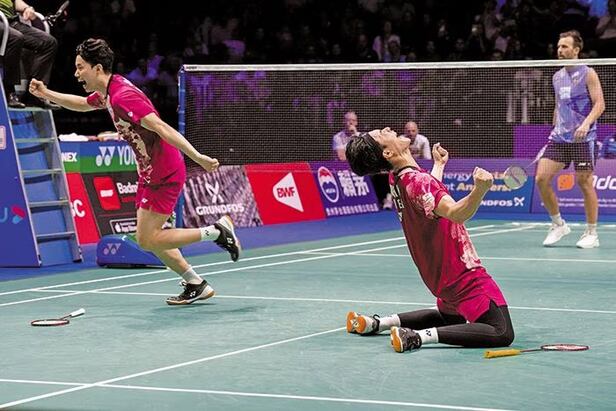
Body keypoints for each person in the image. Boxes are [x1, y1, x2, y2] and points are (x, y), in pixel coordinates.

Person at [29, 38, 240, 305]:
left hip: (164, 171)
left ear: (97, 68)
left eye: (80, 67)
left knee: (148, 239)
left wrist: (197, 157)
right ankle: (195, 283)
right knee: (150, 236)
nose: (76, 73)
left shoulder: (122, 96)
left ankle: (217, 232)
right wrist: (47, 94)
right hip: (150, 172)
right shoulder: (108, 92)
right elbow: (82, 103)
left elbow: (161, 127)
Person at [344, 129, 514, 353]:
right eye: (381, 134)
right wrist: (479, 191)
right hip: (462, 274)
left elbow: (426, 200)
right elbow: (456, 213)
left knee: (450, 319)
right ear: (387, 152)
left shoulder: (397, 178)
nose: (387, 129)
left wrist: (439, 166)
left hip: (439, 277)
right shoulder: (419, 182)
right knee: (501, 331)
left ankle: (377, 323)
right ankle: (416, 337)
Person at [535, 30, 605, 249]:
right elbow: (559, 106)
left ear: (576, 50)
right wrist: (554, 128)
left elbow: (600, 104)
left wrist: (585, 125)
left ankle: (591, 233)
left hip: (584, 138)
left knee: (584, 182)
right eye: (558, 46)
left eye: (564, 46)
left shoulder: (588, 73)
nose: (560, 50)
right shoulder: (557, 77)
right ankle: (558, 224)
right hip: (560, 139)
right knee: (541, 179)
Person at [0, 0, 58, 108]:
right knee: (16, 38)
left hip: (12, 23)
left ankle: (34, 93)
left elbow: (15, 1)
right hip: (1, 22)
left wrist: (27, 8)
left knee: (49, 42)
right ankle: (9, 93)